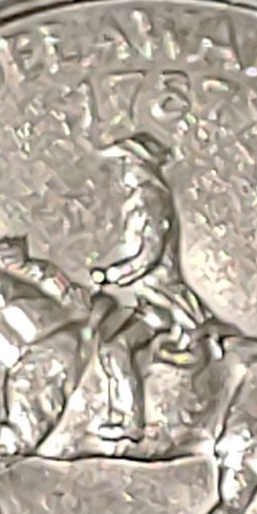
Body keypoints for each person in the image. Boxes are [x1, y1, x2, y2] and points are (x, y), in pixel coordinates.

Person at [89, 133, 212, 442]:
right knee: (105, 341)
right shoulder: (142, 200)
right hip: (144, 298)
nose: (122, 170)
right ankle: (119, 412)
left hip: (161, 302)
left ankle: (131, 421)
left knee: (116, 349)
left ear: (142, 166)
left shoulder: (150, 202)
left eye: (127, 163)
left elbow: (148, 255)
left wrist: (111, 275)